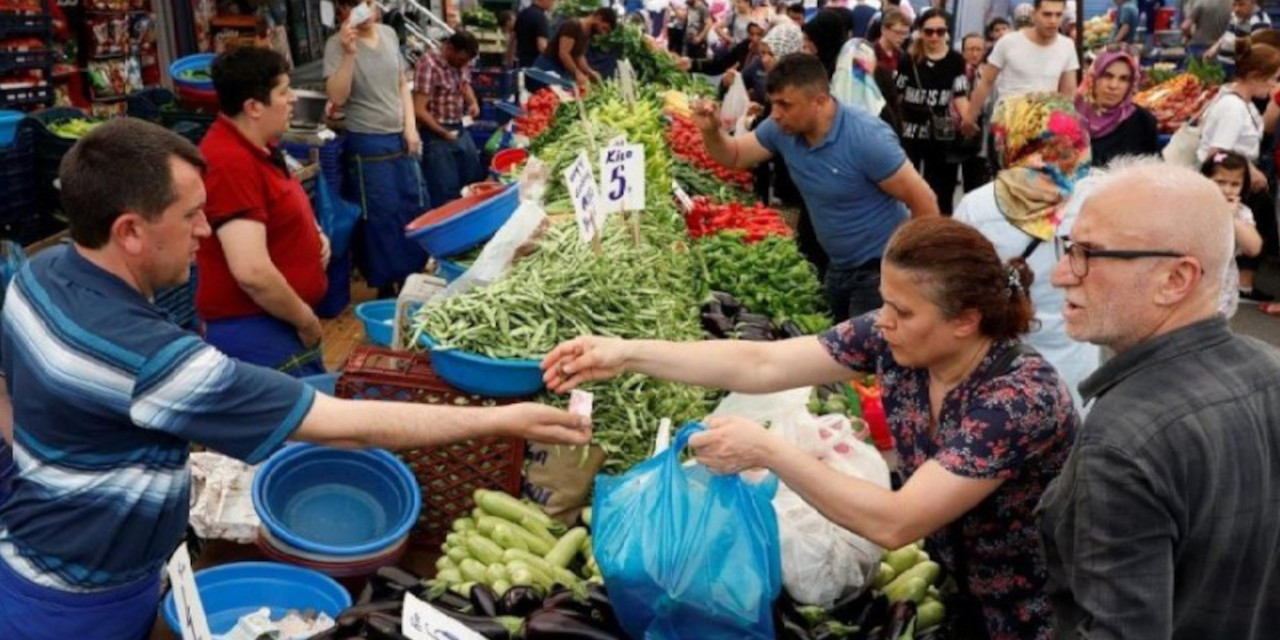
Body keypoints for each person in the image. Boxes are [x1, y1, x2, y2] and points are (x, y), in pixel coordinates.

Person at [0, 119, 593, 640]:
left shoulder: (39, 275)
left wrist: (54, 468)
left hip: (28, 554)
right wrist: (501, 418)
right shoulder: (154, 362)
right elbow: (346, 428)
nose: (206, 231)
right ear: (129, 231)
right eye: (190, 216)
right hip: (79, 601)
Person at [543, 217, 1077, 640]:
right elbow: (763, 365)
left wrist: (770, 451)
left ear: (965, 319)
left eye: (902, 311)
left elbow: (896, 524)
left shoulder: (1018, 399)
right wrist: (625, 354)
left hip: (1036, 610)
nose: (882, 320)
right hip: (961, 582)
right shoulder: (898, 340)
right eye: (885, 303)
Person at [1038, 156, 1280, 640]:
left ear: (1176, 279)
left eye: (1088, 252)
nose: (1062, 274)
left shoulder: (1121, 442)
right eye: (1068, 248)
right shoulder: (1270, 367)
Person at [692, 53, 940, 320]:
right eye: (773, 103)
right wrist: (711, 131)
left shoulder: (866, 137)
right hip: (837, 266)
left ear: (819, 102)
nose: (775, 114)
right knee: (838, 351)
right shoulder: (782, 129)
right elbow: (736, 156)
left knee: (867, 356)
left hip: (879, 270)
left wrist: (914, 271)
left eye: (785, 105)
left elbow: (923, 199)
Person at [954, 92, 1101, 412]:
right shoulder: (1096, 194)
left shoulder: (978, 206)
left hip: (1003, 362)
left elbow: (957, 287)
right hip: (1077, 361)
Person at [196, 48, 331, 379]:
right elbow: (252, 271)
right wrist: (305, 320)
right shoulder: (229, 163)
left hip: (275, 323)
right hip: (258, 329)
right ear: (254, 107)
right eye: (283, 92)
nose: (293, 100)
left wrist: (314, 234)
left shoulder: (257, 147)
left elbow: (279, 202)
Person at [325, 0, 427, 298]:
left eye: (369, 3)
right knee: (379, 215)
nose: (366, 10)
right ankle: (386, 285)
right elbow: (337, 97)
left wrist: (410, 126)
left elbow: (401, 85)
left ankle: (411, 277)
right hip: (368, 142)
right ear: (343, 11)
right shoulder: (337, 45)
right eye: (357, 5)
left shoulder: (388, 34)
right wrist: (348, 54)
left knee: (411, 204)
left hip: (400, 138)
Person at [1196, 37, 1280, 302]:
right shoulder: (1233, 107)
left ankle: (1239, 285)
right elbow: (1217, 153)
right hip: (1232, 183)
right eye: (1272, 79)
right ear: (1255, 76)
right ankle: (1232, 287)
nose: (1274, 86)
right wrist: (1249, 172)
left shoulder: (1238, 101)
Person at [897, 9, 972, 215]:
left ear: (947, 32)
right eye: (929, 31)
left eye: (940, 31)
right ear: (920, 31)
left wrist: (968, 120)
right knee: (908, 182)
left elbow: (960, 95)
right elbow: (898, 94)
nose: (934, 37)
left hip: (941, 128)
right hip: (911, 129)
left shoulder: (956, 61)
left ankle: (938, 226)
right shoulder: (908, 60)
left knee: (941, 186)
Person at [964, 0, 1080, 131]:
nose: (1053, 20)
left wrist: (1066, 128)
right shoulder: (1008, 42)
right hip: (1008, 123)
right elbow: (986, 81)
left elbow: (1068, 92)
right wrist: (970, 116)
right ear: (1034, 14)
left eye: (1058, 15)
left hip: (1045, 126)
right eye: (1047, 14)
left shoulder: (1067, 46)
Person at [413, 30, 485, 209]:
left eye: (467, 62)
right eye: (461, 60)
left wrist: (473, 102)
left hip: (458, 127)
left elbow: (464, 84)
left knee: (473, 180)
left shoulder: (462, 63)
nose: (464, 65)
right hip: (435, 133)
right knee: (445, 191)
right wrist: (442, 132)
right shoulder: (428, 64)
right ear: (450, 49)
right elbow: (418, 109)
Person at [1200, 151, 1264, 317]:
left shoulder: (1241, 212)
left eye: (1235, 184)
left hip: (1223, 283)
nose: (1227, 189)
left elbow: (1253, 248)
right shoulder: (1194, 206)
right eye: (1220, 182)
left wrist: (1231, 218)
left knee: (1217, 330)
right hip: (1195, 278)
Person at [1076, 49, 1158, 167]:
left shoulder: (1143, 121)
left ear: (1131, 84)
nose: (1113, 86)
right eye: (1107, 76)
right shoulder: (1074, 116)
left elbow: (1153, 170)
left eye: (1123, 79)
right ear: (1094, 77)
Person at [532, 8, 617, 87]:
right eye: (604, 28)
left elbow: (579, 56)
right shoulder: (572, 26)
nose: (603, 33)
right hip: (547, 67)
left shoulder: (587, 33)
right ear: (598, 18)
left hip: (559, 70)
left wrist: (590, 72)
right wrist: (577, 74)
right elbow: (564, 53)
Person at [956, 32, 991, 191]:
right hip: (954, 135)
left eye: (978, 49)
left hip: (979, 137)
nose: (974, 53)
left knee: (975, 185)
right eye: (970, 49)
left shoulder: (989, 75)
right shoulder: (955, 71)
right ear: (963, 51)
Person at [1204, 0, 1272, 70]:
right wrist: (1215, 48)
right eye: (1234, 5)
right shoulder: (1237, 15)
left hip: (1239, 69)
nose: (1236, 9)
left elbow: (1258, 52)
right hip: (1224, 65)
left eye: (1241, 4)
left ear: (1253, 2)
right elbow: (1228, 34)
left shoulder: (1259, 21)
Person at [515, 0, 553, 69]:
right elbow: (542, 46)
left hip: (523, 63)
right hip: (536, 68)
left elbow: (514, 40)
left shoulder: (523, 14)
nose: (553, 3)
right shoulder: (540, 17)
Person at [874, 8, 910, 76]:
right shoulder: (870, 53)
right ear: (883, 29)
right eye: (898, 32)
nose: (902, 37)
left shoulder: (902, 56)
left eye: (905, 33)